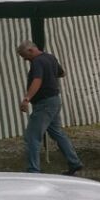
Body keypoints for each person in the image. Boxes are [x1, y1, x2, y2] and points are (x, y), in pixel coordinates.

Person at [16, 41, 84, 175]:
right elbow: (62, 73)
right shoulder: (50, 57)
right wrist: (50, 77)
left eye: (25, 56)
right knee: (57, 133)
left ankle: (33, 170)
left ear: (31, 50)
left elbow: (37, 80)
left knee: (32, 136)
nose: (25, 59)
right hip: (54, 100)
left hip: (44, 104)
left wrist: (27, 98)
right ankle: (74, 162)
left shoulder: (37, 62)